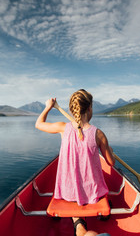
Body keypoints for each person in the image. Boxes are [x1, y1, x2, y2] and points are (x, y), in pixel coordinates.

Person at [35, 89, 115, 236]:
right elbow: (111, 163)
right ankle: (87, 224)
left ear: (72, 110)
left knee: (75, 197)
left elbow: (39, 124)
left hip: (67, 193)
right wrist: (109, 149)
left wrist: (48, 107)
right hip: (93, 193)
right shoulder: (99, 134)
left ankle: (78, 223)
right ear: (90, 108)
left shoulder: (62, 128)